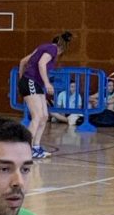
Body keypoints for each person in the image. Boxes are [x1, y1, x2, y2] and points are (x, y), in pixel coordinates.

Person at [16, 31, 73, 159]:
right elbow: (41, 64)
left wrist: (21, 78)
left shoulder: (42, 48)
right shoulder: (52, 49)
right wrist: (46, 83)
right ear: (63, 48)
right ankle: (27, 149)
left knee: (44, 116)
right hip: (31, 82)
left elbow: (23, 61)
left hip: (34, 83)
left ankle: (36, 147)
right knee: (37, 117)